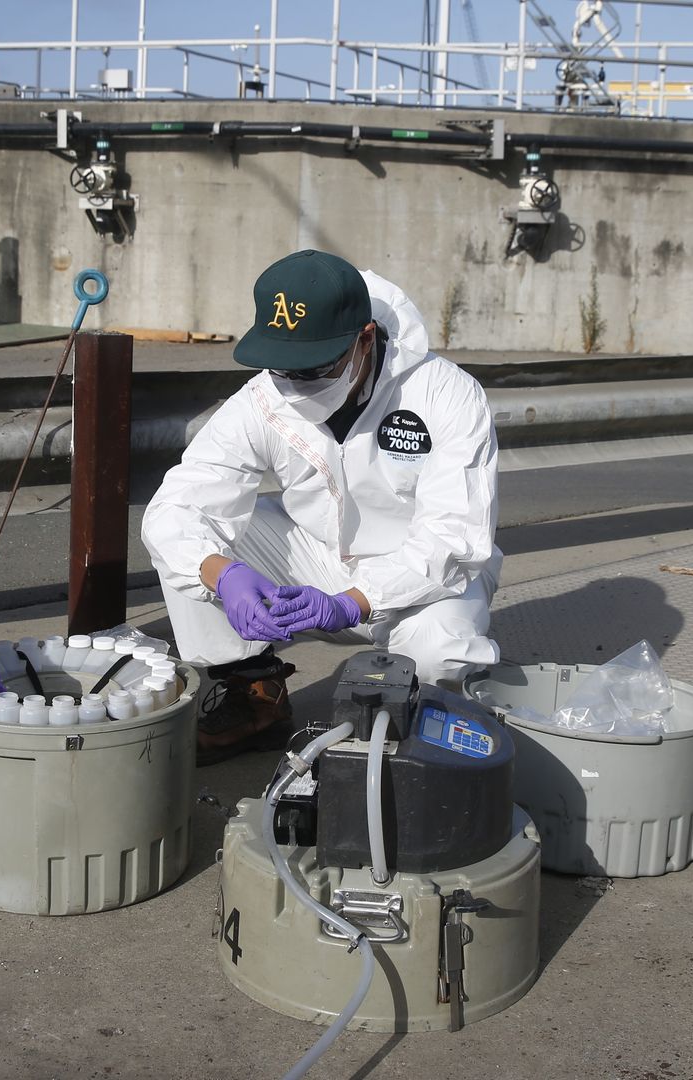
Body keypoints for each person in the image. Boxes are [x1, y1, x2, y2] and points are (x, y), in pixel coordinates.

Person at [142, 249, 502, 764]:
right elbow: (180, 505)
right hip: (319, 558)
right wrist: (221, 574)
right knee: (192, 539)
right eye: (283, 368)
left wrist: (351, 603)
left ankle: (424, 742)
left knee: (441, 652)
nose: (296, 385)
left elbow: (453, 540)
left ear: (366, 338)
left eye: (316, 367)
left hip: (423, 581)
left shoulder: (446, 395)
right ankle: (253, 693)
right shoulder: (262, 397)